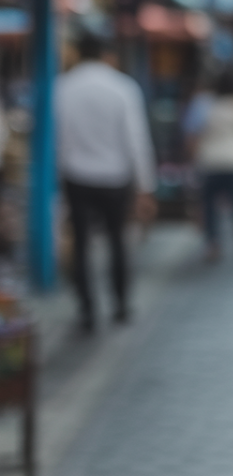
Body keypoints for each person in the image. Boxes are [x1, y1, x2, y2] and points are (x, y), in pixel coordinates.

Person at [55, 33, 157, 332]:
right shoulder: (123, 87)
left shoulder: (62, 87)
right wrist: (146, 186)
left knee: (82, 244)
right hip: (115, 177)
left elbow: (56, 140)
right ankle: (121, 305)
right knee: (118, 241)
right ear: (107, 54)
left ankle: (87, 309)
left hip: (76, 176)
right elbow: (136, 140)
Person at [191, 69, 233, 262]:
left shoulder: (203, 104)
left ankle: (212, 243)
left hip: (210, 160)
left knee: (209, 204)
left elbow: (193, 134)